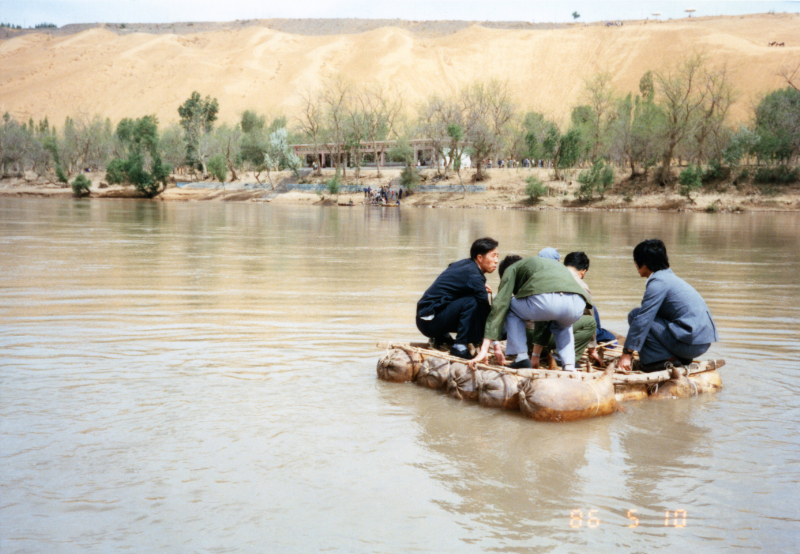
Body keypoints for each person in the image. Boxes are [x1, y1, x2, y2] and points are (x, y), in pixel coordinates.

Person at [470, 253, 592, 370]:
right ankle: (569, 366)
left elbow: (500, 305)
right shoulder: (543, 267)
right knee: (564, 326)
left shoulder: (511, 269)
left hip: (549, 302)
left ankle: (521, 357)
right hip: (578, 303)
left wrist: (485, 348)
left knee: (510, 306)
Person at [619, 239, 719, 372]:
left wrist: (627, 353)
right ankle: (678, 359)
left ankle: (663, 361)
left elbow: (642, 320)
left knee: (636, 315)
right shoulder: (669, 277)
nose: (636, 265)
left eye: (636, 261)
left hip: (690, 344)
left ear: (645, 263)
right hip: (700, 343)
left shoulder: (658, 283)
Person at [416, 238, 501, 360]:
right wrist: (495, 340)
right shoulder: (474, 275)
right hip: (429, 322)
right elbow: (484, 309)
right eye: (493, 256)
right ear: (480, 258)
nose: (496, 261)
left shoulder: (465, 264)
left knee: (471, 300)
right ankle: (459, 346)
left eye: (497, 256)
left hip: (424, 319)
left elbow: (454, 279)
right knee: (472, 302)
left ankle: (442, 337)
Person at [527, 251, 602, 368]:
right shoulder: (581, 286)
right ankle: (560, 357)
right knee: (590, 322)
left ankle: (541, 352)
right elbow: (590, 315)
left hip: (527, 337)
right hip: (543, 335)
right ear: (584, 271)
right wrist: (592, 349)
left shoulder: (547, 276)